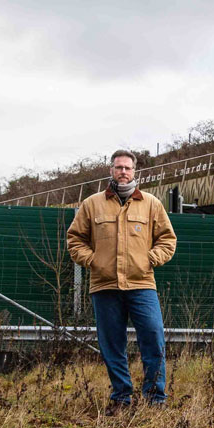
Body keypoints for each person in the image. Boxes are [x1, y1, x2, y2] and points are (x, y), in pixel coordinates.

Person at [67, 149, 177, 411]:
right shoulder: (92, 204)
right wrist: (94, 261)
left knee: (153, 339)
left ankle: (155, 399)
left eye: (127, 168)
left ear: (135, 171)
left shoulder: (151, 204)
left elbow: (168, 240)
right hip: (104, 286)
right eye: (118, 167)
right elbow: (75, 239)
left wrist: (149, 259)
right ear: (111, 171)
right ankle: (121, 398)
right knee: (112, 345)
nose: (123, 172)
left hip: (142, 284)